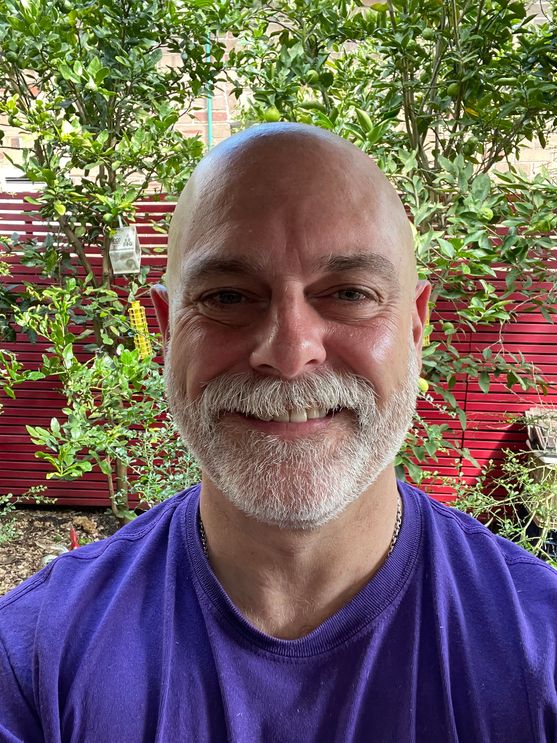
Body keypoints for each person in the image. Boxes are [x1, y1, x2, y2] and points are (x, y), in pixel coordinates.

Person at [0, 123, 556, 742]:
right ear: (165, 330)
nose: (290, 353)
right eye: (230, 296)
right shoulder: (35, 665)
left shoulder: (542, 657)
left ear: (416, 328)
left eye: (349, 293)